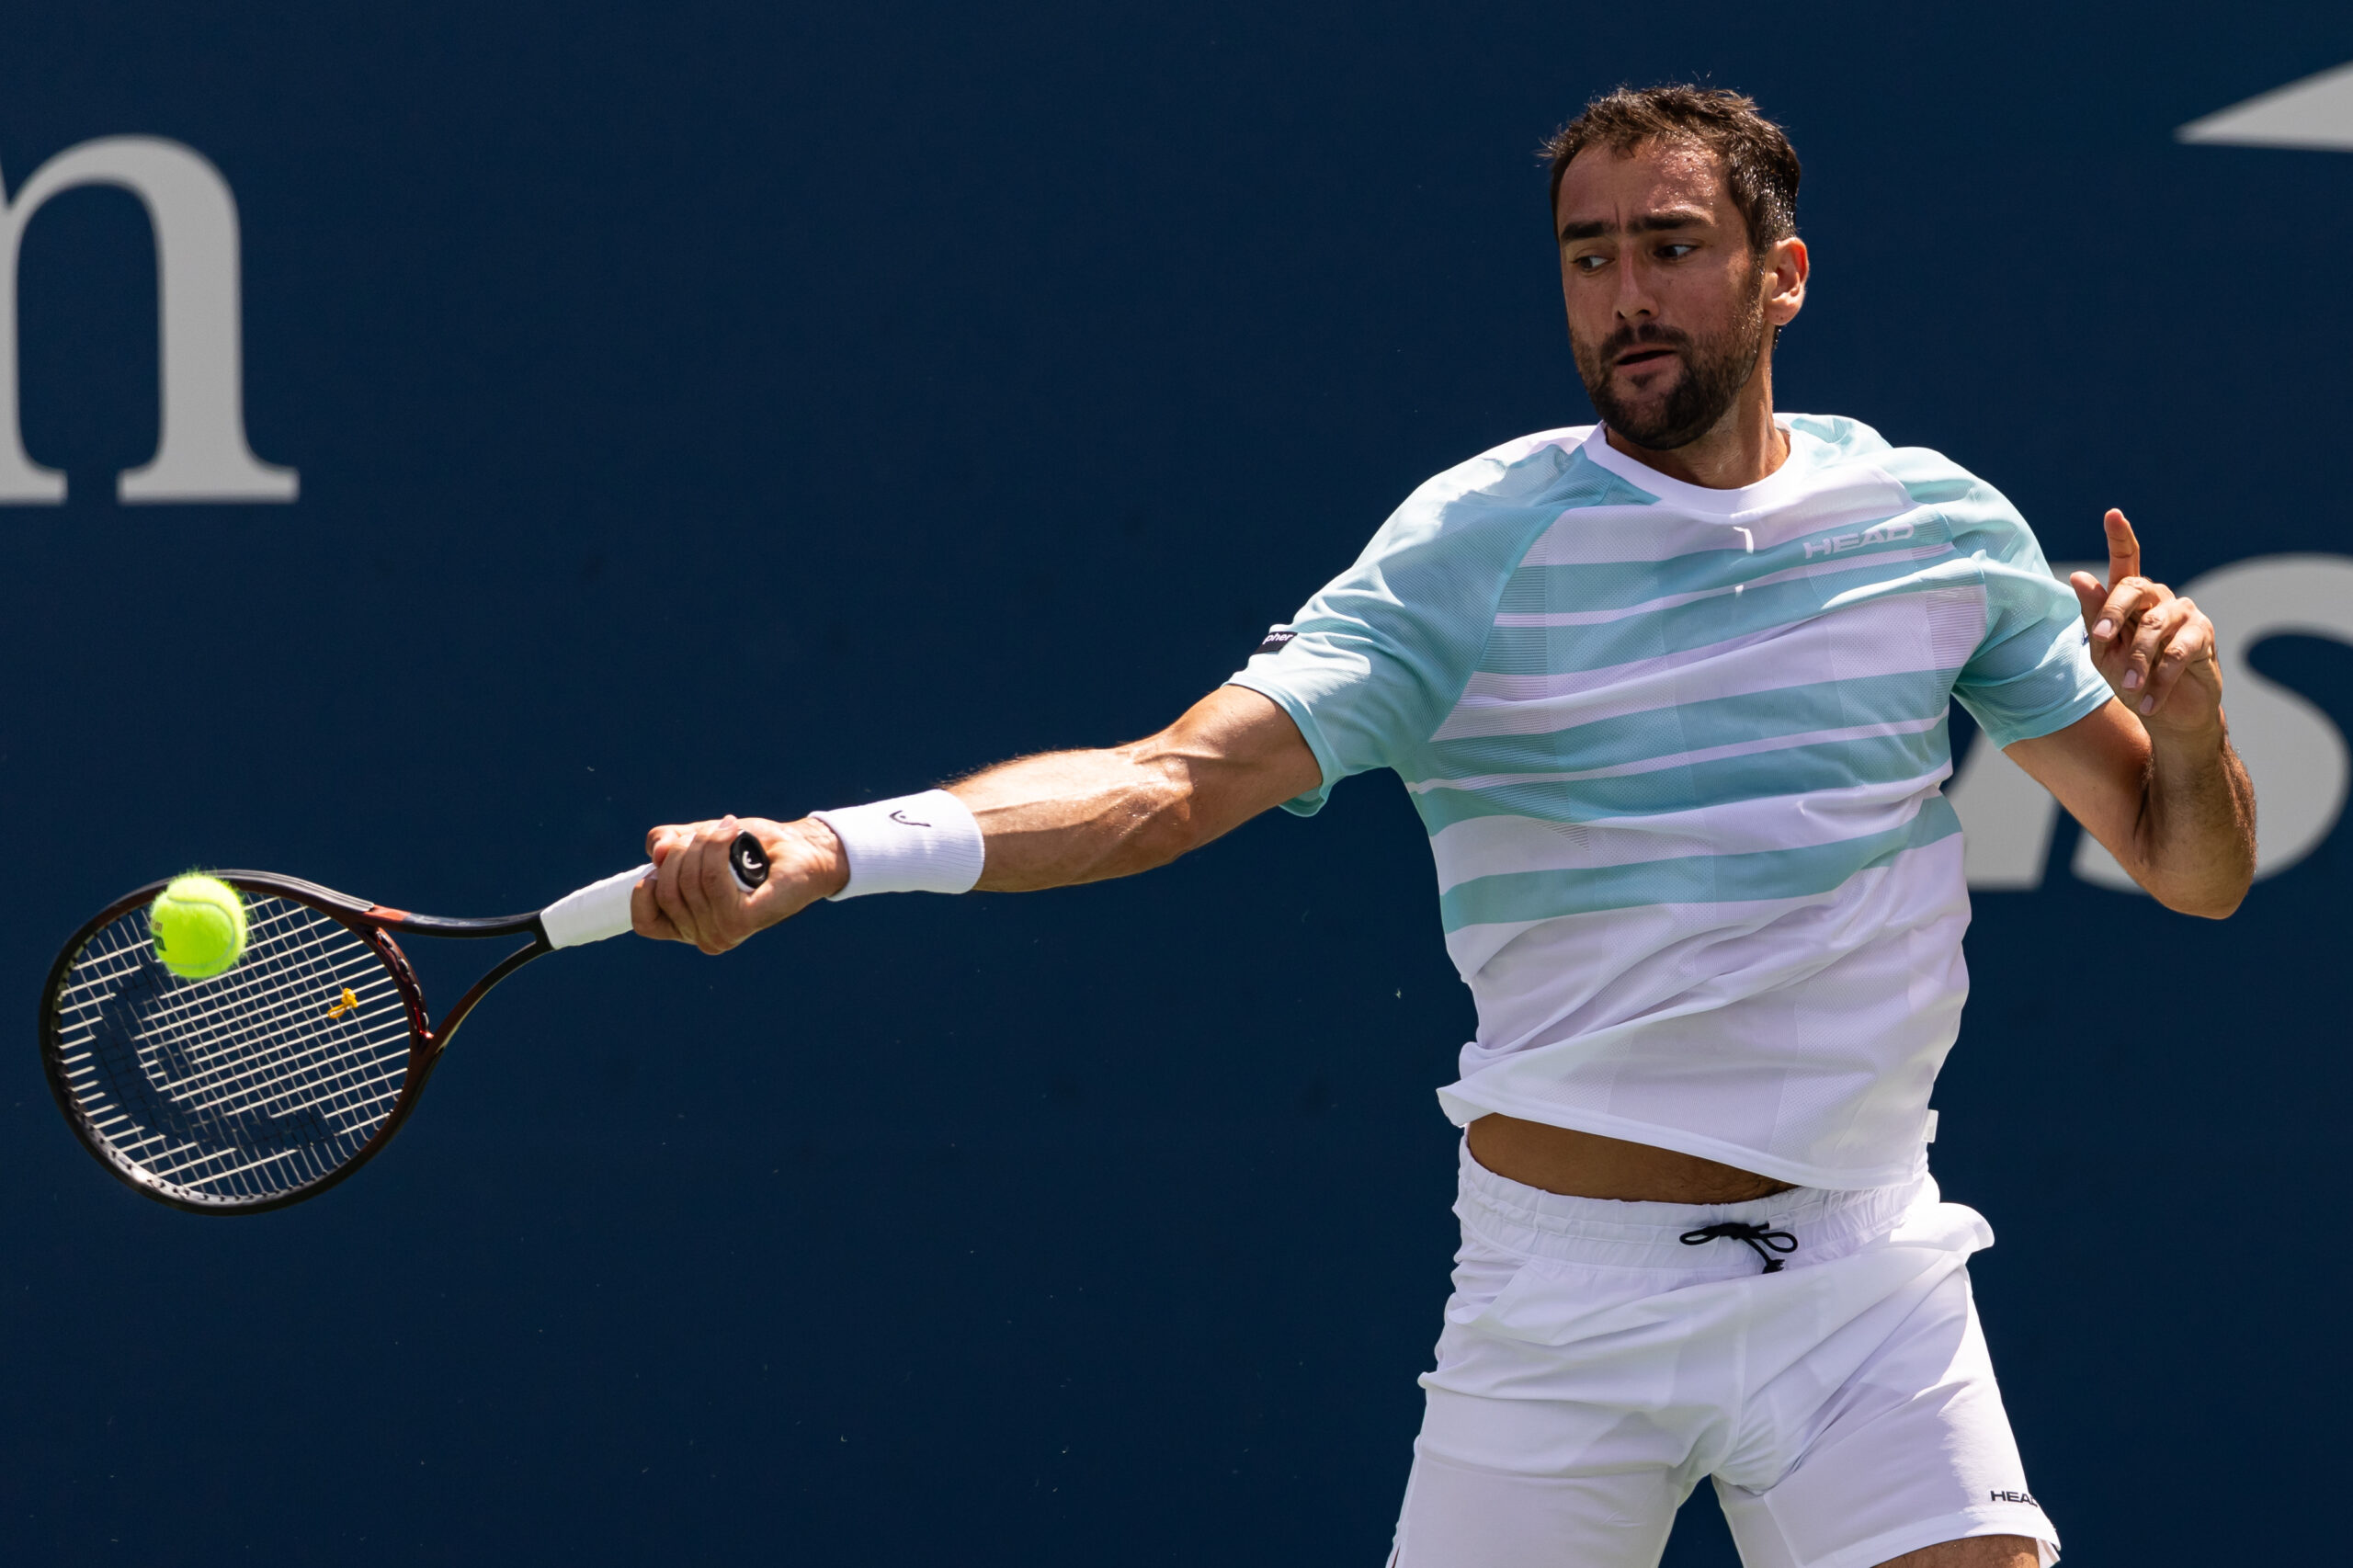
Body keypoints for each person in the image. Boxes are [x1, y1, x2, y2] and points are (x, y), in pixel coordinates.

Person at [631, 85, 2254, 1568]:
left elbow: (2195, 871)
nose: (1625, 295)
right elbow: (1167, 785)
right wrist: (847, 844)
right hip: (1563, 1308)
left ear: (1783, 278)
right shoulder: (1473, 547)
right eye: (1590, 255)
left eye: (1672, 248)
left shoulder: (1934, 529)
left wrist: (2188, 728)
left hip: (1868, 1275)